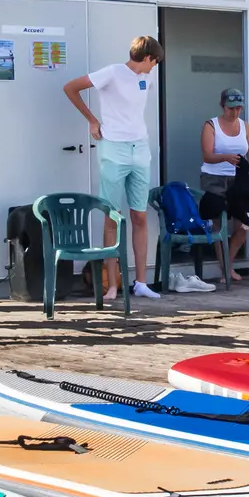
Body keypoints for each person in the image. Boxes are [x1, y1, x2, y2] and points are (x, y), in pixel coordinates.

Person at [63, 36, 164, 301]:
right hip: (113, 148)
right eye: (154, 62)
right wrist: (92, 120)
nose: (154, 67)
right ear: (147, 58)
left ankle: (141, 282)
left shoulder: (147, 78)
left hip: (140, 148)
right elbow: (71, 88)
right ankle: (112, 284)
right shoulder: (112, 72)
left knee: (139, 215)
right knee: (112, 216)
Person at [194, 87, 249, 290]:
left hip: (238, 180)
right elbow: (207, 155)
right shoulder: (211, 125)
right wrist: (225, 157)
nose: (235, 112)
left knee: (242, 226)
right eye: (231, 108)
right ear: (223, 106)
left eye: (239, 108)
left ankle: (227, 265)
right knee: (218, 225)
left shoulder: (244, 126)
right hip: (215, 178)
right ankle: (225, 269)